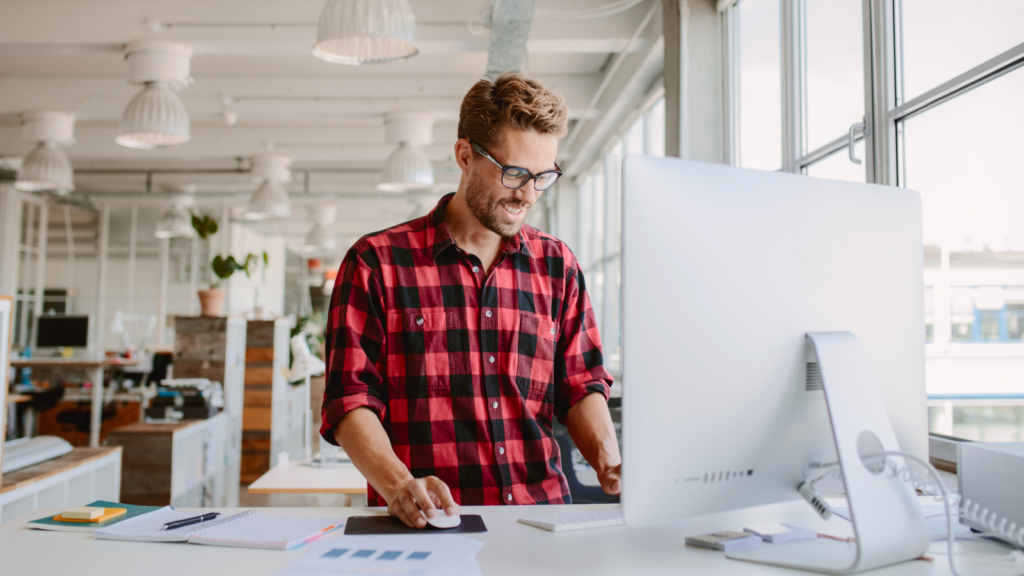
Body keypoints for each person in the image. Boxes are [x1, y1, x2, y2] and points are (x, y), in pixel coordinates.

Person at [320, 72, 620, 529]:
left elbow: (581, 384)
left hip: (542, 523)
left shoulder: (558, 266)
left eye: (544, 177)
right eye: (515, 172)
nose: (528, 194)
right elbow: (350, 399)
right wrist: (399, 484)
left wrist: (610, 463)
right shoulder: (376, 263)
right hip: (429, 526)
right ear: (465, 156)